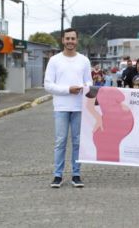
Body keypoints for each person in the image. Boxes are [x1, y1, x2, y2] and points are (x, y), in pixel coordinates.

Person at [44, 28, 92, 188]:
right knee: (60, 142)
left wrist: (84, 87)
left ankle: (76, 174)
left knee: (78, 142)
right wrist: (67, 90)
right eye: (67, 39)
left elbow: (90, 82)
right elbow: (48, 85)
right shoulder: (54, 60)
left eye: (73, 38)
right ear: (62, 40)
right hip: (61, 107)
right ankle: (57, 176)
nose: (70, 41)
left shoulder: (84, 61)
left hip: (79, 107)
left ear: (77, 40)